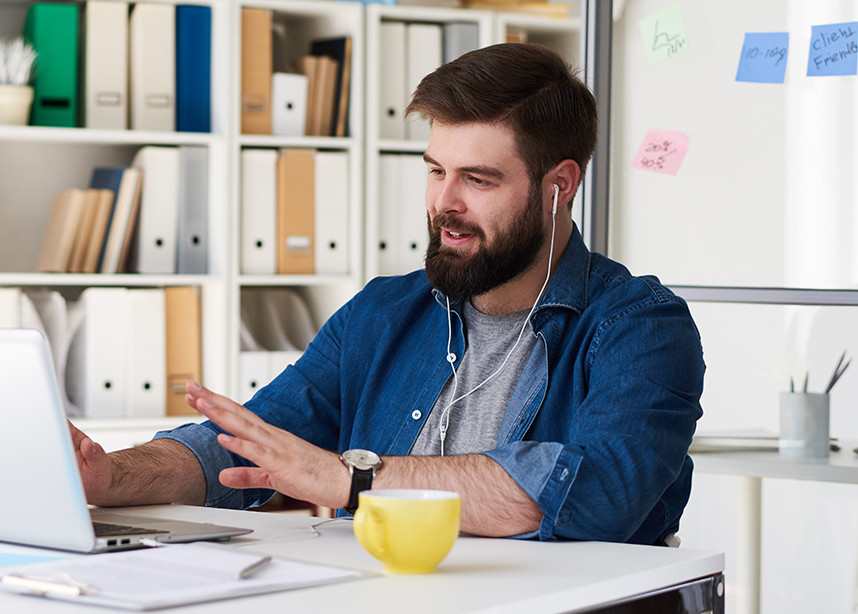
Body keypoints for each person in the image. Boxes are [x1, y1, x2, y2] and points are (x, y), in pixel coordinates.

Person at [69, 43, 705, 545]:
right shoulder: (381, 312)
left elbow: (597, 493)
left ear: (558, 186)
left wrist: (354, 480)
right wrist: (110, 475)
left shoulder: (641, 328)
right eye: (434, 171)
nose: (443, 205)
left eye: (478, 180)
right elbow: (252, 444)